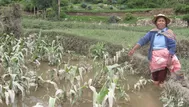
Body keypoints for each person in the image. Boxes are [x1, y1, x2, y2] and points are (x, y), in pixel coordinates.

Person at [128, 14, 183, 87]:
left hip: (166, 54)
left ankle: (178, 83)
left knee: (162, 73)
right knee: (155, 75)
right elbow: (143, 40)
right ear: (156, 23)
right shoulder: (152, 32)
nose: (161, 22)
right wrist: (133, 49)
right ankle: (155, 89)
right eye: (159, 21)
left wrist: (170, 58)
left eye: (163, 21)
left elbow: (172, 46)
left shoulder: (169, 33)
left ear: (165, 23)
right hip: (155, 55)